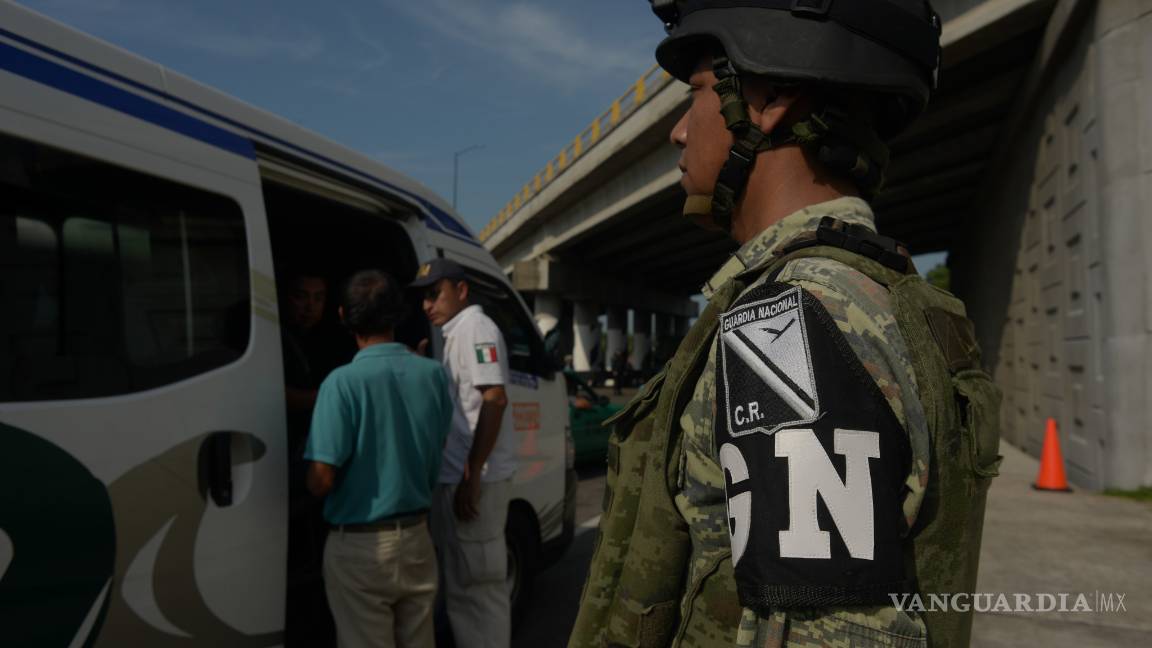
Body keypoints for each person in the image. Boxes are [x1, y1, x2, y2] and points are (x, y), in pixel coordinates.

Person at [570, 2, 1001, 648]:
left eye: (697, 96)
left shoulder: (790, 320)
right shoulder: (886, 297)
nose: (679, 133)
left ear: (769, 99)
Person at [304, 270, 454, 648]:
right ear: (397, 315)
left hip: (360, 548)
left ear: (343, 315)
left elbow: (321, 478)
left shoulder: (341, 383)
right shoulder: (433, 375)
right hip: (418, 539)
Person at [409, 258, 515, 648]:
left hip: (476, 481)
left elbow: (495, 398)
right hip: (460, 477)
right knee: (462, 587)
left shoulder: (476, 329)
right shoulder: (456, 334)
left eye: (435, 294)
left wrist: (472, 473)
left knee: (479, 590)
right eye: (424, 297)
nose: (427, 305)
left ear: (462, 290)